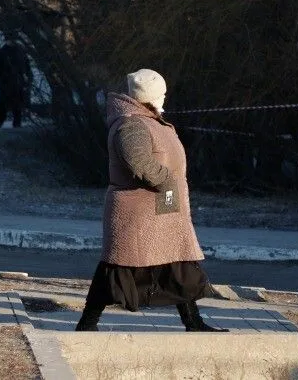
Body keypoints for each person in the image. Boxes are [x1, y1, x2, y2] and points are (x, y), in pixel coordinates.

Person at [75, 69, 228, 332]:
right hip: (137, 211)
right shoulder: (132, 124)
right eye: (162, 94)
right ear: (151, 97)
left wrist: (170, 194)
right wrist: (168, 180)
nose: (165, 98)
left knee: (178, 263)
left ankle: (193, 321)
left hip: (160, 208)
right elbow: (139, 164)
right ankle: (87, 324)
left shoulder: (149, 120)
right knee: (115, 269)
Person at [0, 36, 31, 128]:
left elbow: (26, 65)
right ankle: (0, 121)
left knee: (16, 101)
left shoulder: (18, 51)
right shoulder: (3, 52)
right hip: (6, 80)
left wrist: (26, 75)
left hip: (15, 79)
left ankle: (15, 121)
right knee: (4, 101)